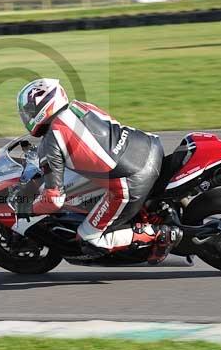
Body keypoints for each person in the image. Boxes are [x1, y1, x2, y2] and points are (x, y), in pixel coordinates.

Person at [16, 78, 182, 263]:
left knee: (89, 238)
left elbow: (54, 200)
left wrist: (29, 208)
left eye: (29, 111)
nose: (26, 116)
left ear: (42, 108)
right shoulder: (79, 106)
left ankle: (159, 234)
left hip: (132, 180)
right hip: (150, 145)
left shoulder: (51, 142)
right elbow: (107, 134)